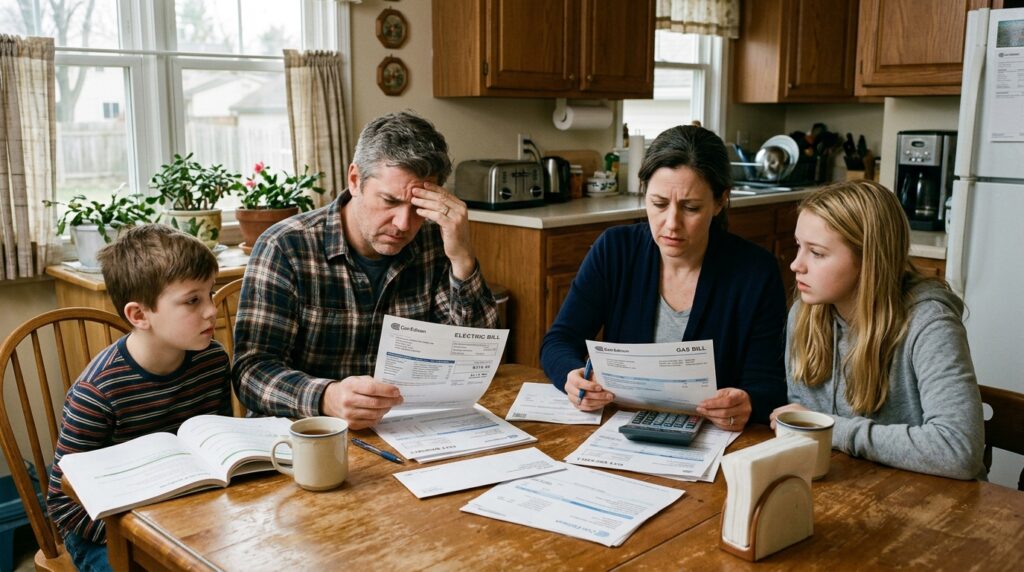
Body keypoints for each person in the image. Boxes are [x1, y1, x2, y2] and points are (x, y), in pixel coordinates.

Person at [233, 111, 499, 429]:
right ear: (355, 180)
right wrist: (325, 397)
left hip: (409, 431)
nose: (403, 224)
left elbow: (474, 359)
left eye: (418, 208)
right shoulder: (285, 247)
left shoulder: (436, 243)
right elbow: (251, 371)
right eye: (389, 201)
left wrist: (462, 259)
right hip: (306, 437)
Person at [540, 125, 788, 429]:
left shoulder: (755, 272)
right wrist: (572, 375)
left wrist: (749, 402)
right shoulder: (615, 250)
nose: (671, 224)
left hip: (714, 439)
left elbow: (770, 384)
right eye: (658, 204)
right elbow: (559, 341)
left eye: (691, 207)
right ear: (644, 191)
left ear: (720, 201)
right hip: (620, 431)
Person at [46, 225, 231, 572]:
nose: (211, 310)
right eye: (193, 300)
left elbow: (216, 450)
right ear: (139, 315)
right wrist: (148, 536)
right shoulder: (98, 393)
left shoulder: (212, 361)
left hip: (186, 512)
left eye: (211, 293)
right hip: (105, 529)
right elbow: (63, 504)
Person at [771, 180, 984, 480]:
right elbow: (802, 417)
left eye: (817, 253)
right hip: (854, 490)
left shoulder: (930, 325)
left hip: (938, 506)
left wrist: (833, 429)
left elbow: (959, 450)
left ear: (868, 259)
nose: (796, 265)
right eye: (799, 247)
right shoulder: (805, 313)